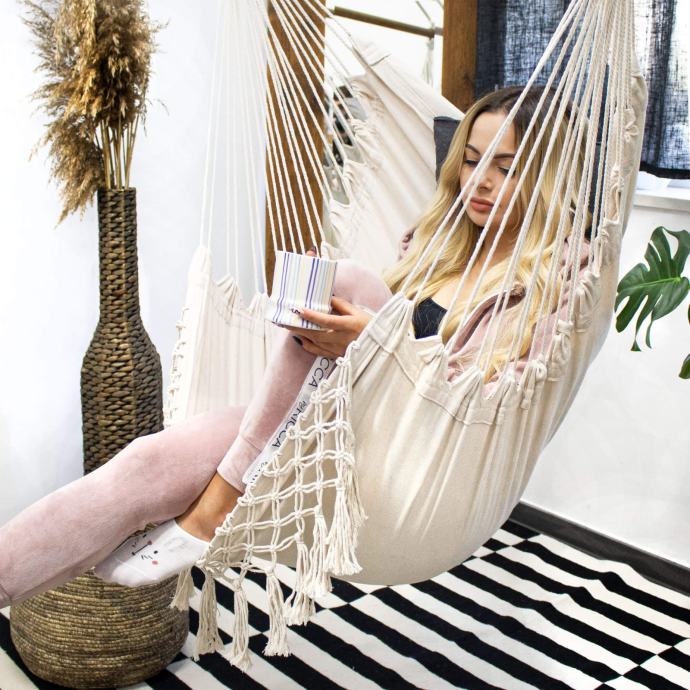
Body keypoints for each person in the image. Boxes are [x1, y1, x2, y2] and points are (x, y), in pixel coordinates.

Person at [0, 85, 587, 607]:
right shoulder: (434, 245)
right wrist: (341, 327)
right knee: (146, 461)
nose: (480, 181)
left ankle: (221, 499)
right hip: (317, 424)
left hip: (413, 463)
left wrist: (378, 342)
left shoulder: (560, 280)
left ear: (548, 177)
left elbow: (492, 397)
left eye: (508, 168)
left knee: (346, 280)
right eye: (473, 159)